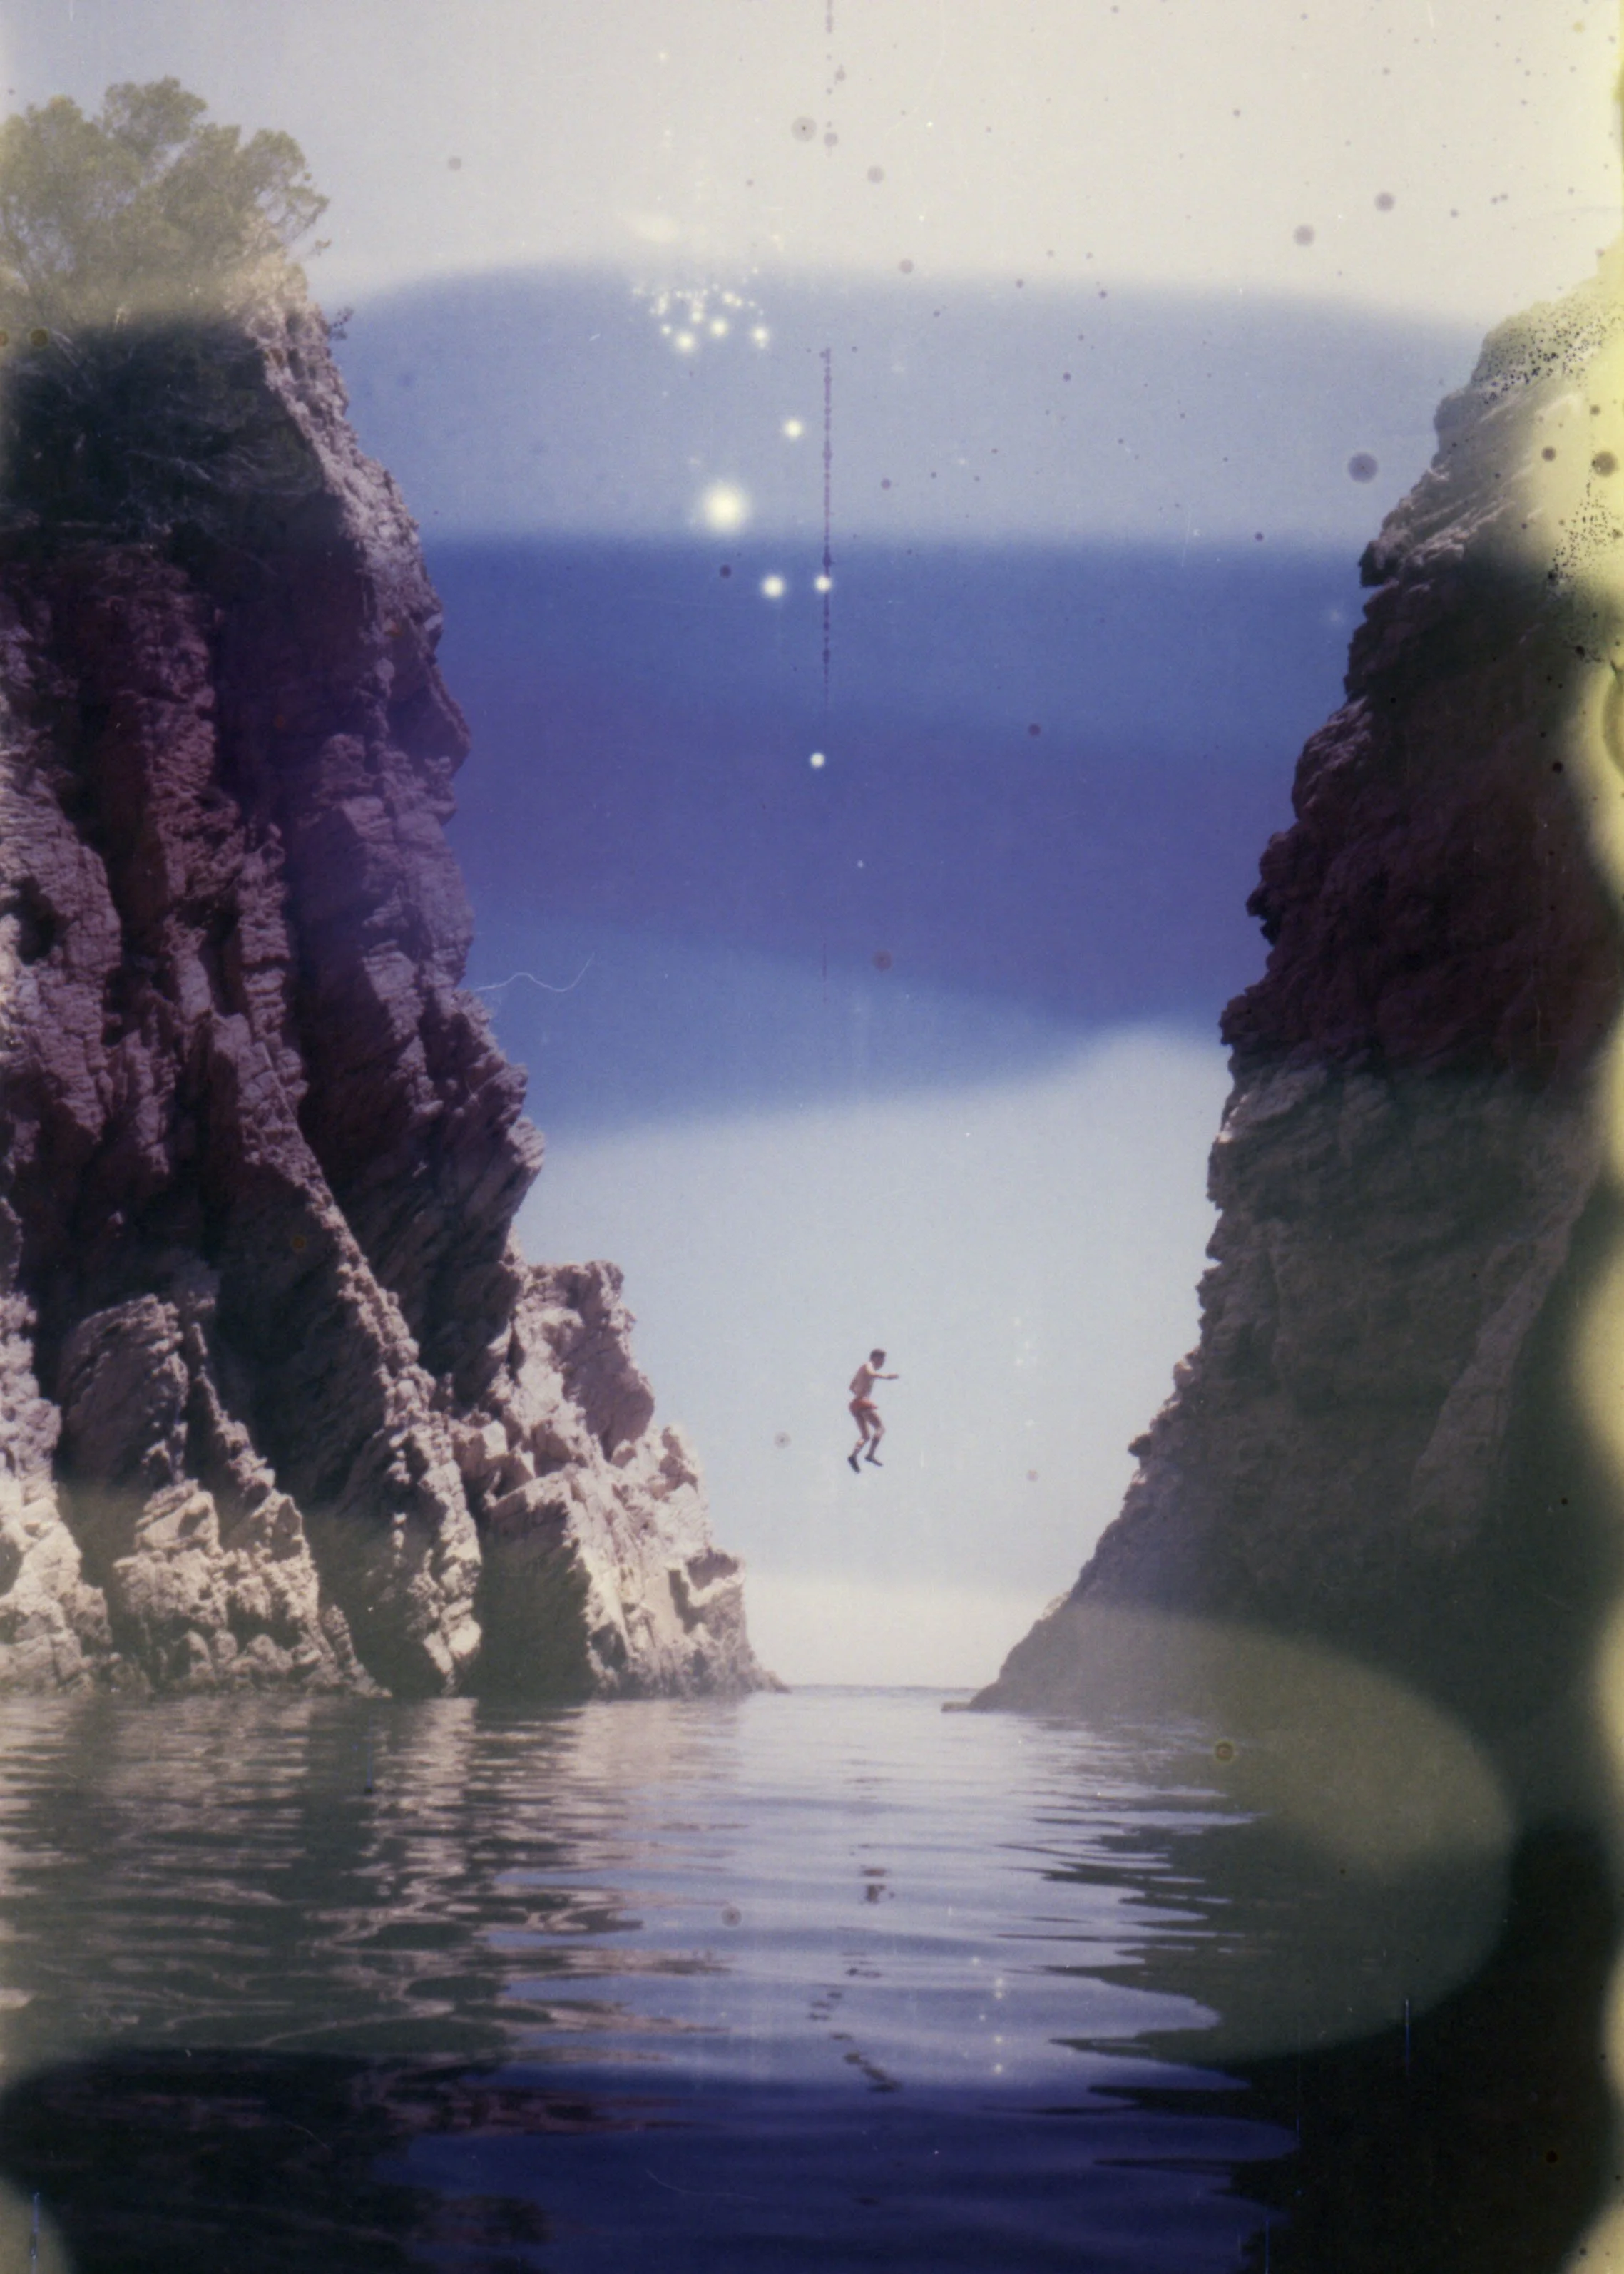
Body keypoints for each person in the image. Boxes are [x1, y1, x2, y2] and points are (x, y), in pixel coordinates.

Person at [847, 1349, 897, 1471]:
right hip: (863, 1402)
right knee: (880, 1428)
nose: (882, 1363)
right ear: (876, 1358)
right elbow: (871, 1373)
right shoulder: (868, 1365)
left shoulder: (862, 1369)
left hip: (855, 1404)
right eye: (882, 1360)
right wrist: (887, 1377)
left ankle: (853, 1455)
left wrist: (860, 1392)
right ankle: (870, 1455)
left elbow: (851, 1387)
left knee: (865, 1436)